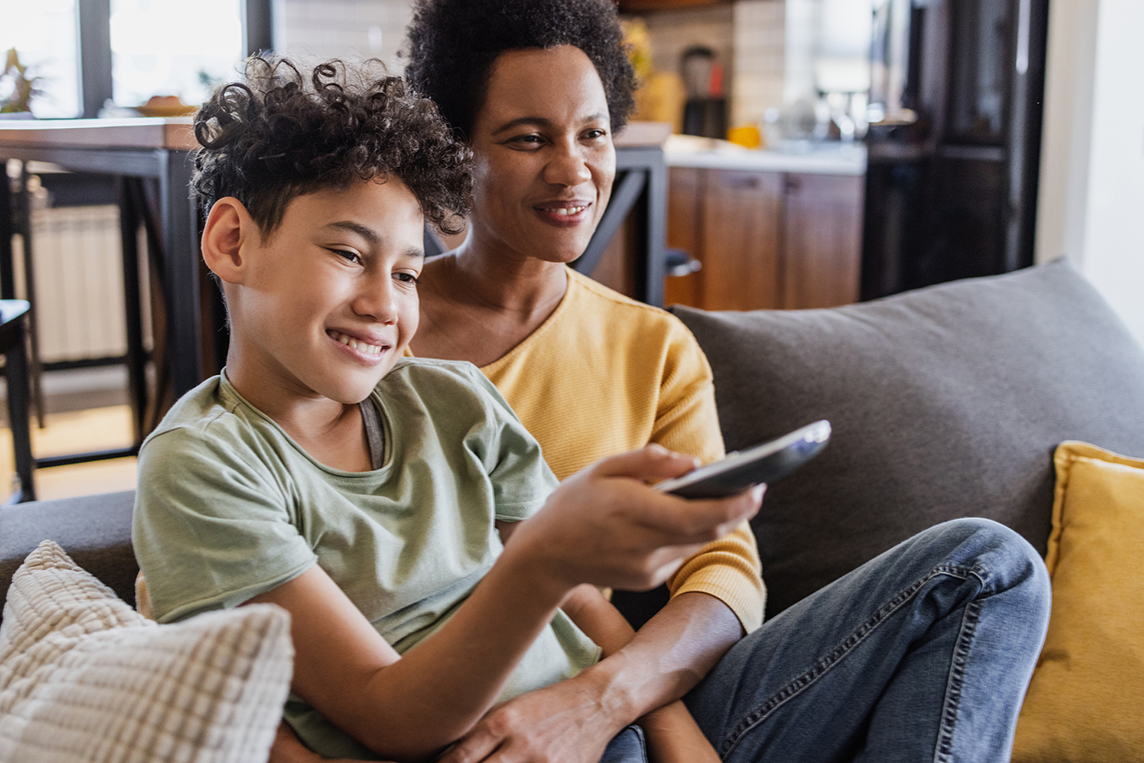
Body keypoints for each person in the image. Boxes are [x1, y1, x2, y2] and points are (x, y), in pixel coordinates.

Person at [331, 1, 1044, 761]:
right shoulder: (366, 335)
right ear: (453, 149)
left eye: (593, 133)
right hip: (451, 709)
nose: (573, 169)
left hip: (625, 695)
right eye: (529, 138)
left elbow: (723, 566)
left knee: (988, 565)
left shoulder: (652, 346)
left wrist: (607, 698)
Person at [131, 57, 764, 763]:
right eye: (348, 253)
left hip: (609, 721)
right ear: (231, 242)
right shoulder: (206, 462)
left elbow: (587, 606)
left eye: (406, 273)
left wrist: (680, 741)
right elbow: (387, 713)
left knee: (882, 594)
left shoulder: (454, 399)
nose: (385, 303)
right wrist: (544, 561)